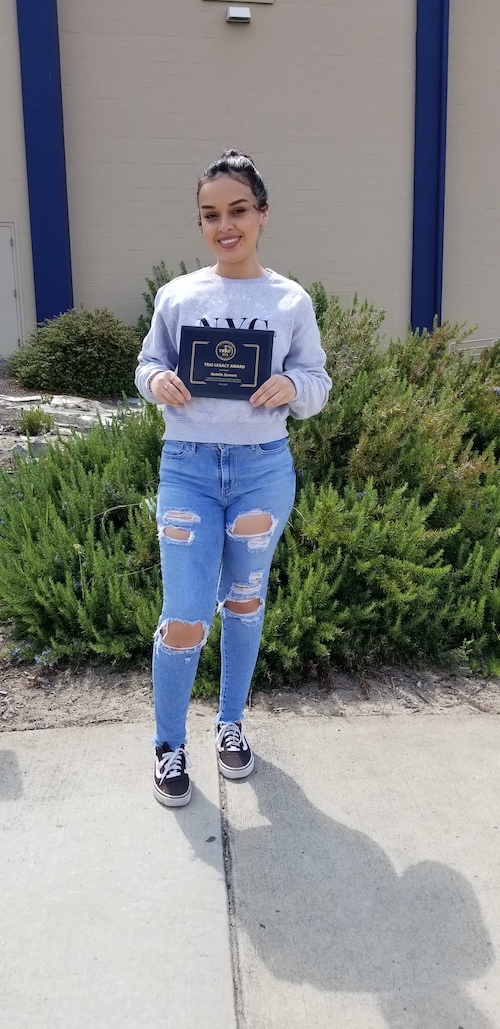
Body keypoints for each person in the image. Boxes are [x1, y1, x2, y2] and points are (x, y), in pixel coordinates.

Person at [135, 149, 331, 807]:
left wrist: (293, 385)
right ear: (201, 222)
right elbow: (148, 363)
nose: (225, 225)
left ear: (263, 214)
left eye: (238, 210)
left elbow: (318, 381)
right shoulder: (179, 296)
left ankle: (230, 723)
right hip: (188, 468)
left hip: (261, 471)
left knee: (244, 602)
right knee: (186, 613)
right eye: (210, 214)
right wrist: (155, 379)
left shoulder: (289, 299)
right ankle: (168, 746)